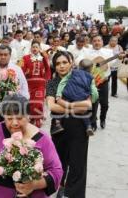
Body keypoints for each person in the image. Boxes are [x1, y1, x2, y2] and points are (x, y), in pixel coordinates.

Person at [0, 94, 63, 198]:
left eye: (20, 118)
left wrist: (33, 185)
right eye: (10, 118)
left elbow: (57, 172)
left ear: (28, 116)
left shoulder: (43, 139)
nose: (15, 123)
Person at [46, 51, 93, 198]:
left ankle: (74, 195)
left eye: (64, 62)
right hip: (58, 128)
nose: (61, 66)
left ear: (71, 62)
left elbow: (88, 106)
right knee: (59, 162)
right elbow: (52, 106)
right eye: (58, 63)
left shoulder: (81, 78)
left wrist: (66, 105)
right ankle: (60, 188)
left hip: (79, 128)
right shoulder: (52, 83)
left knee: (78, 164)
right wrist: (75, 107)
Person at [55, 58, 98, 136]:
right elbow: (94, 91)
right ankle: (88, 126)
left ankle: (57, 123)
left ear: (79, 66)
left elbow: (63, 82)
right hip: (81, 98)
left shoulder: (73, 72)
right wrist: (93, 99)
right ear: (91, 69)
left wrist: (58, 94)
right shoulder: (91, 78)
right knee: (84, 112)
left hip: (68, 94)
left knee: (61, 106)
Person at [22, 41, 51, 127]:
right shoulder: (25, 58)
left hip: (40, 84)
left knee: (38, 102)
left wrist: (46, 80)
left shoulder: (43, 58)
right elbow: (21, 69)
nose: (35, 49)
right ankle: (32, 118)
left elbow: (48, 69)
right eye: (33, 47)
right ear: (30, 48)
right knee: (31, 102)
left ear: (39, 49)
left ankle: (38, 118)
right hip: (29, 84)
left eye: (36, 47)